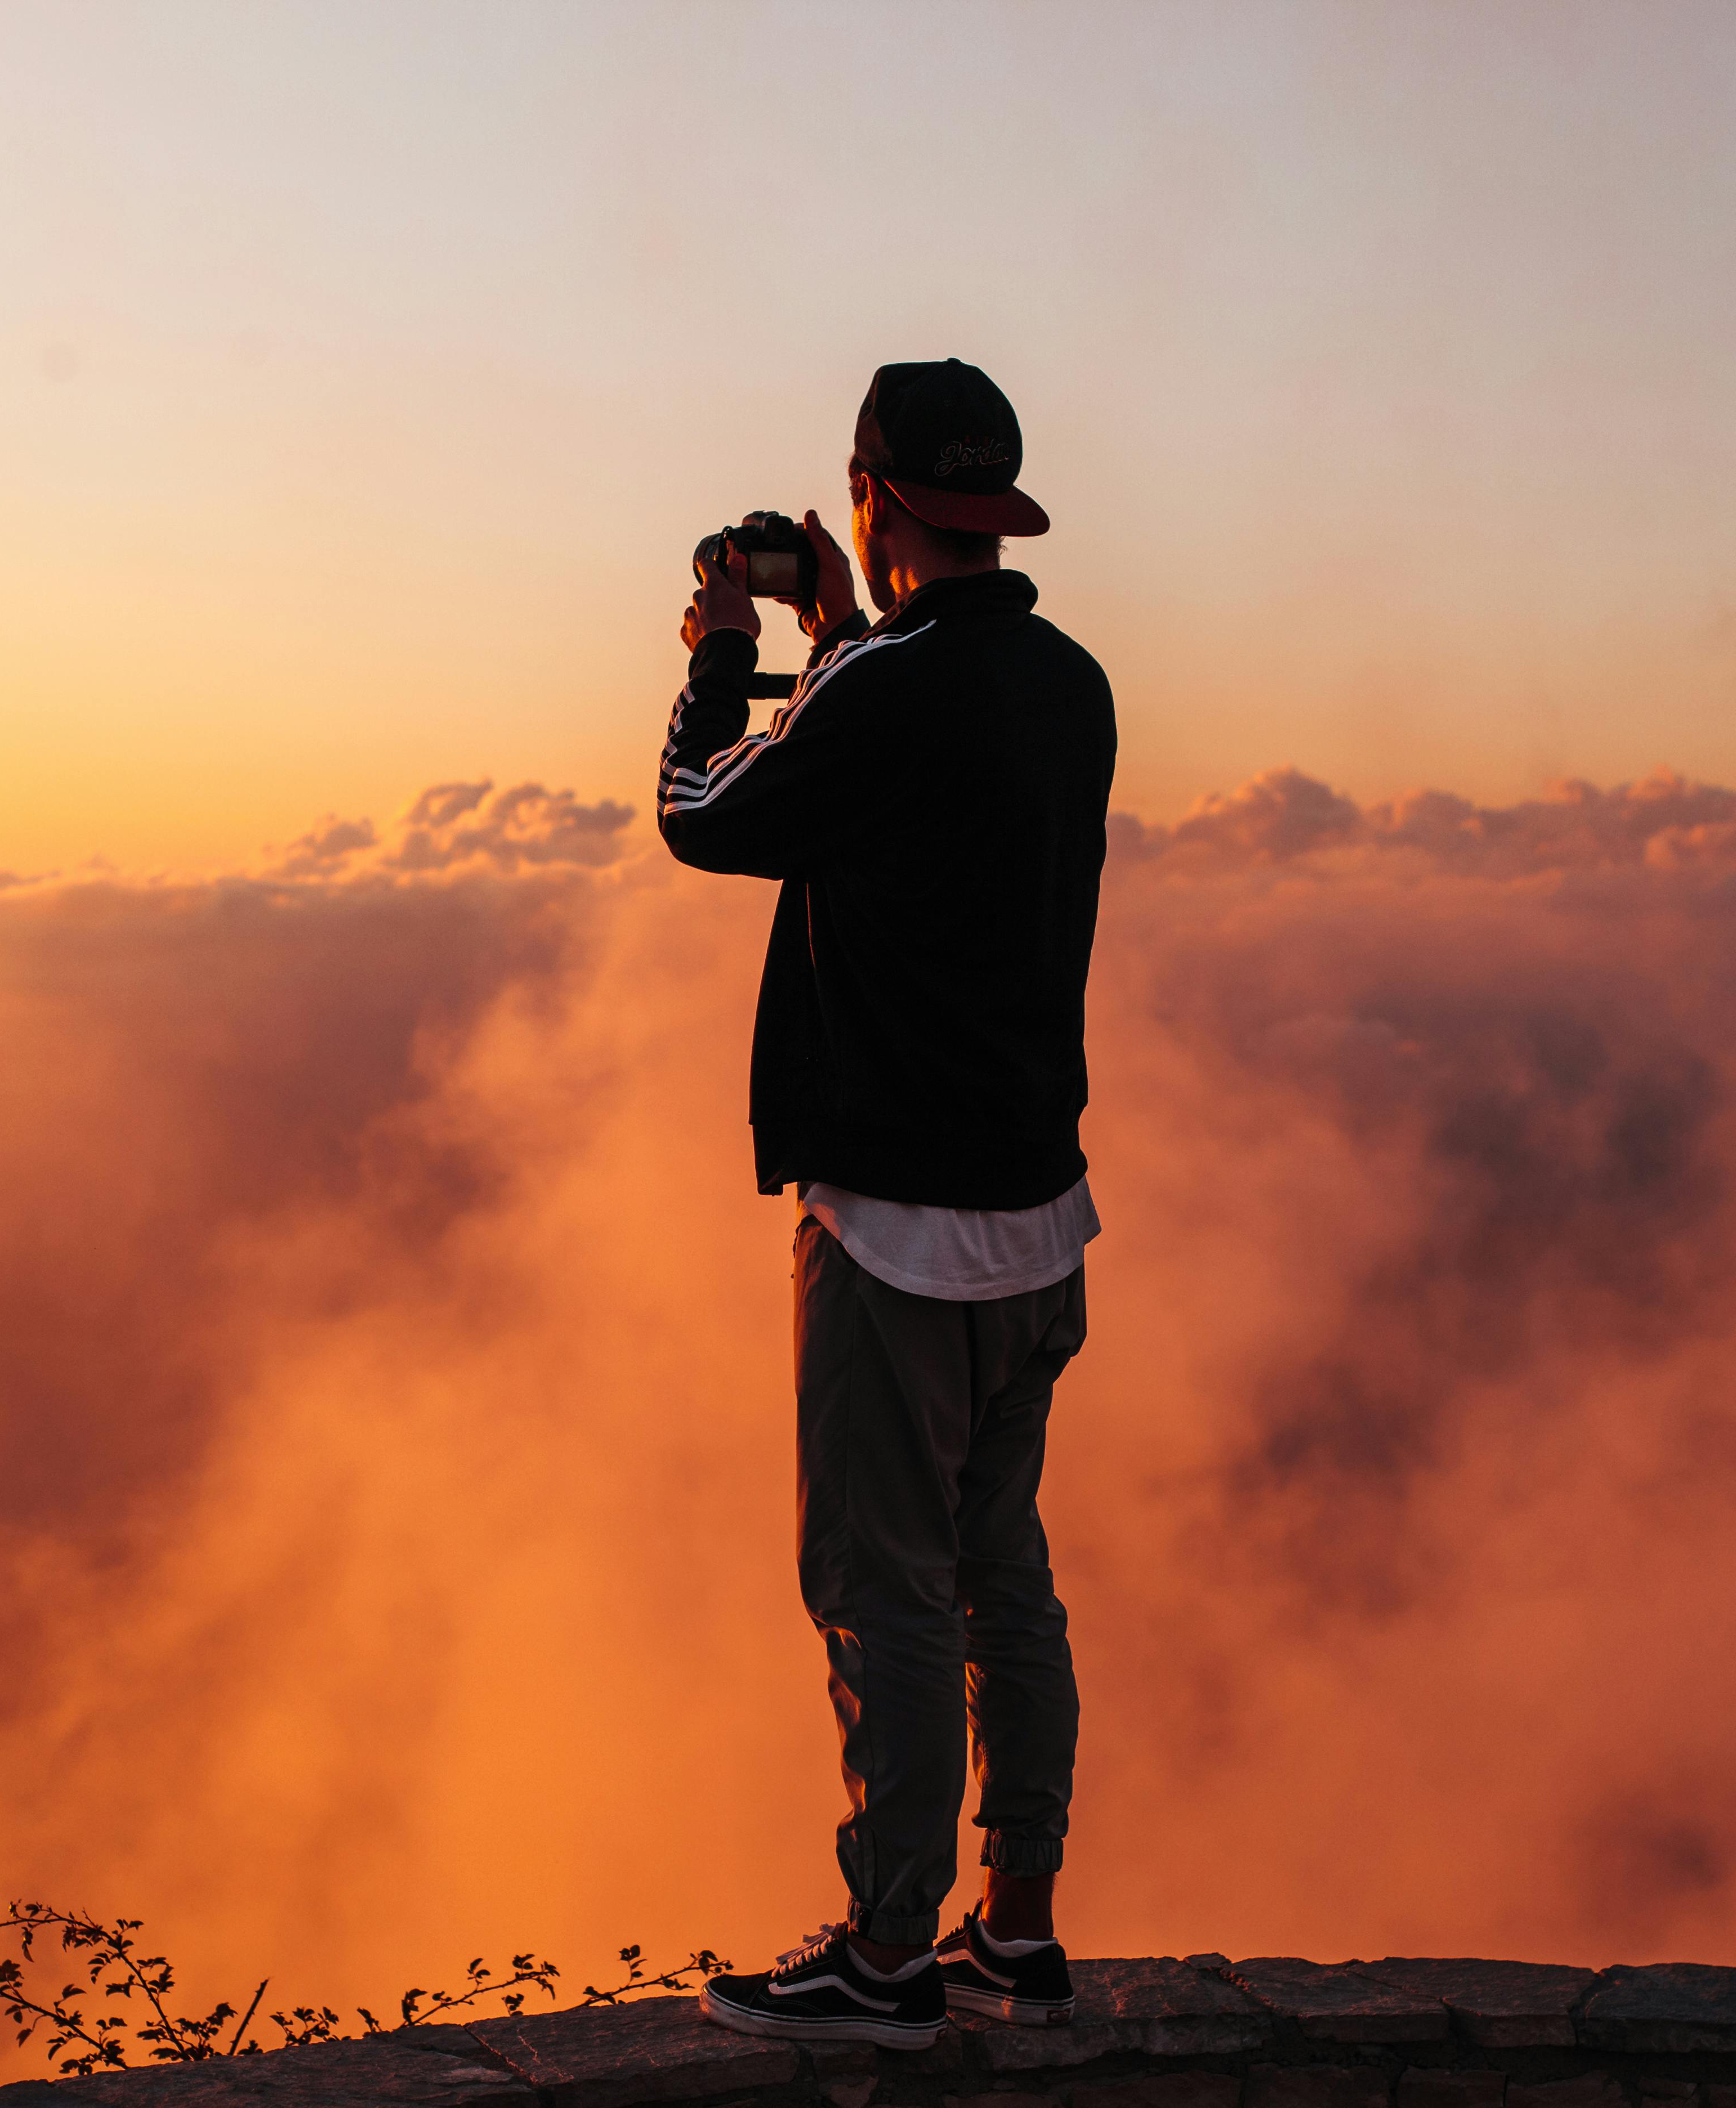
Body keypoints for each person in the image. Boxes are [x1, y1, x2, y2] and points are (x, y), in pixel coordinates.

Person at [659, 360, 1115, 2048]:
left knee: (884, 1589)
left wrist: (725, 649)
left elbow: (703, 817)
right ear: (989, 503)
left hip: (895, 1238)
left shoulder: (890, 689)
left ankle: (884, 1951)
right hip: (1039, 1222)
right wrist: (847, 624)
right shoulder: (1069, 682)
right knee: (1009, 1578)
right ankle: (1021, 1924)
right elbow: (914, 748)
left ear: (869, 493)